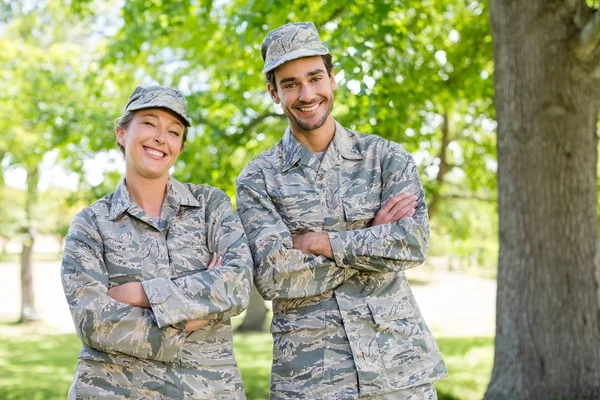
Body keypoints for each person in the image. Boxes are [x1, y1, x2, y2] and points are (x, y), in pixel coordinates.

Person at [236, 22, 447, 399]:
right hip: (309, 378)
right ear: (273, 93)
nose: (306, 94)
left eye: (315, 77)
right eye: (290, 84)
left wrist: (319, 242)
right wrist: (373, 238)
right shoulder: (258, 178)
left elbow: (412, 244)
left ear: (333, 79)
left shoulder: (386, 158)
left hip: (399, 370)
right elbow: (273, 278)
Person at [61, 84, 252, 399]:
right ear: (122, 133)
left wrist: (140, 293)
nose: (161, 138)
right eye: (149, 123)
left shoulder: (210, 206)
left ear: (180, 147)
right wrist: (195, 317)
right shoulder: (91, 223)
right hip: (114, 390)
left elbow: (239, 284)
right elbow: (92, 320)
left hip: (209, 389)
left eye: (174, 132)